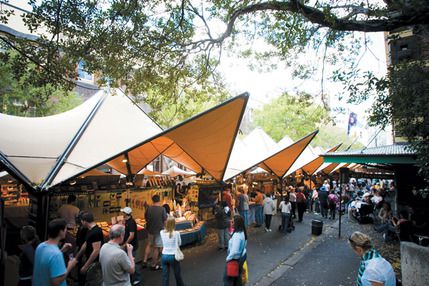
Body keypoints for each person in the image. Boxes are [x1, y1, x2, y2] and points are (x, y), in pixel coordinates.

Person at [33, 219, 77, 286]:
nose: (66, 231)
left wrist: (61, 250)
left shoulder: (41, 246)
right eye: (65, 229)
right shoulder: (56, 254)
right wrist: (70, 266)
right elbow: (56, 282)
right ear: (60, 232)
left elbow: (48, 261)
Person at [76, 211, 104, 286]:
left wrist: (86, 266)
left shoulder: (96, 232)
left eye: (81, 221)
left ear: (84, 221)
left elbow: (96, 250)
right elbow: (86, 243)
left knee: (92, 282)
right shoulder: (89, 230)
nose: (81, 223)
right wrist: (77, 257)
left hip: (94, 263)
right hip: (89, 260)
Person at [143, 194, 168, 270]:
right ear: (159, 200)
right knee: (156, 248)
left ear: (152, 200)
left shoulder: (148, 209)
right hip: (159, 231)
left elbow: (146, 218)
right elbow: (165, 221)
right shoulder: (162, 209)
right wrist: (166, 229)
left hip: (150, 230)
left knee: (149, 244)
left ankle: (144, 261)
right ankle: (153, 264)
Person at [160, 216, 186, 286]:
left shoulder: (161, 232)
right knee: (177, 274)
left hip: (164, 256)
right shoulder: (176, 233)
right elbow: (180, 243)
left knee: (165, 276)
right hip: (173, 256)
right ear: (174, 224)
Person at [224, 215, 247, 286]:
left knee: (228, 280)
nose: (231, 223)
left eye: (233, 222)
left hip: (234, 260)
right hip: (241, 257)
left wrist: (228, 258)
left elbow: (234, 251)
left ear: (237, 223)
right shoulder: (242, 232)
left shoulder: (237, 235)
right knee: (237, 278)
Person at [121, 207, 142, 285]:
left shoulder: (131, 222)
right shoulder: (127, 221)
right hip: (129, 245)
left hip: (131, 246)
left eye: (123, 212)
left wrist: (124, 244)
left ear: (126, 214)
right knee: (130, 261)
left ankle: (138, 277)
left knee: (132, 261)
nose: (122, 214)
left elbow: (131, 235)